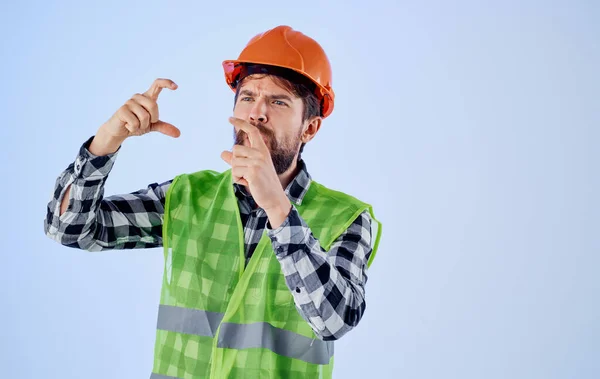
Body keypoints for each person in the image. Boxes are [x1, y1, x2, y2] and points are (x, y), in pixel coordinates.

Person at [44, 25, 382, 379]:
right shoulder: (189, 196)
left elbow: (335, 321)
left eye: (278, 101)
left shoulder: (346, 218)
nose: (256, 113)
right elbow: (67, 228)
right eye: (248, 97)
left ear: (309, 128)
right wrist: (106, 141)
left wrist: (279, 210)